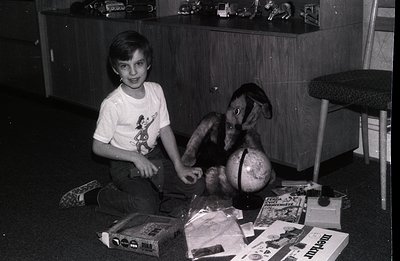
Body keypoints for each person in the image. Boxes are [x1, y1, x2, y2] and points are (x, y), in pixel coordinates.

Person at [59, 31, 205, 216]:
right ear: (115, 69)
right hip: (125, 165)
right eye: (125, 66)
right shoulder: (113, 104)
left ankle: (155, 193)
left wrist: (179, 165)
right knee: (145, 207)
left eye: (138, 63)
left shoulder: (156, 91)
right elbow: (98, 146)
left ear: (148, 63)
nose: (133, 72)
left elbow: (165, 129)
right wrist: (135, 157)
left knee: (197, 185)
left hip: (154, 158)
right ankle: (97, 194)